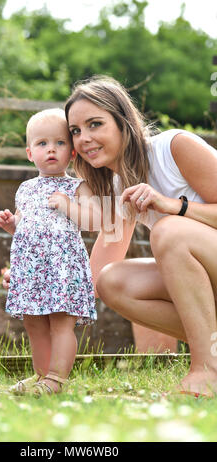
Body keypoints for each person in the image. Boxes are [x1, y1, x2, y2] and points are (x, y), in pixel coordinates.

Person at [63, 75, 217, 398]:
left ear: (123, 122)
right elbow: (92, 277)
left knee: (169, 232)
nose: (84, 138)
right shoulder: (120, 189)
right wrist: (36, 278)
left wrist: (173, 206)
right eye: (76, 131)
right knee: (112, 281)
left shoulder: (173, 148)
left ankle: (207, 370)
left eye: (95, 124)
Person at [0, 108, 99, 396]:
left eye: (60, 143)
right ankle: (41, 376)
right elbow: (28, 229)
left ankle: (57, 377)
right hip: (32, 268)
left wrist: (68, 205)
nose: (51, 149)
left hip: (64, 268)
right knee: (34, 324)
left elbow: (93, 222)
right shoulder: (25, 189)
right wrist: (12, 225)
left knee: (60, 324)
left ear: (73, 153)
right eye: (42, 144)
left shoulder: (78, 186)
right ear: (30, 153)